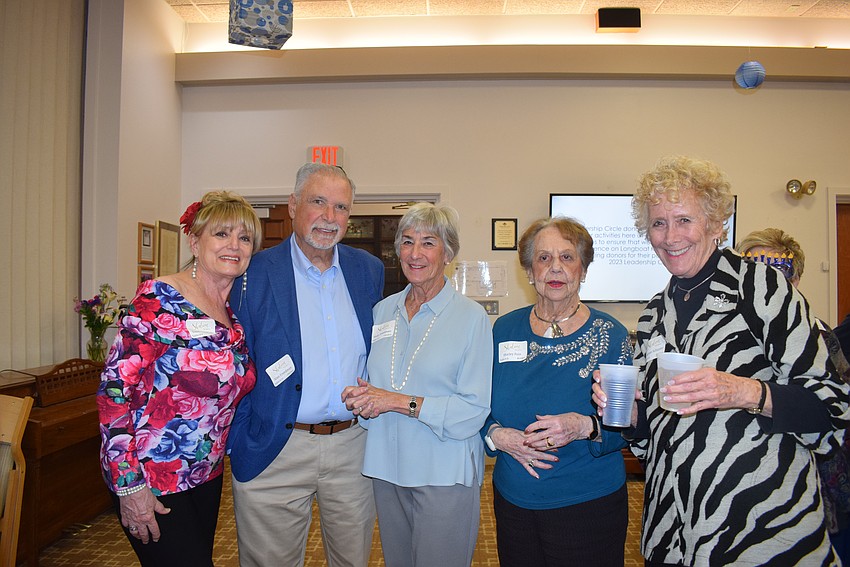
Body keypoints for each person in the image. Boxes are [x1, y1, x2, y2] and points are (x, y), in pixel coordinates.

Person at [592, 156, 850, 566]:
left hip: (761, 531)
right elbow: (653, 442)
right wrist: (627, 413)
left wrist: (743, 391)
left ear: (715, 224)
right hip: (673, 535)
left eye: (684, 220)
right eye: (658, 223)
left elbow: (833, 409)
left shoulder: (762, 289)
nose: (670, 236)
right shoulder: (654, 313)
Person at [227, 162, 384, 567]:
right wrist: (241, 437)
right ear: (294, 205)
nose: (330, 218)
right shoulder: (252, 272)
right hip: (277, 447)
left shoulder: (368, 270)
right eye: (319, 202)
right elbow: (235, 360)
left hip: (353, 448)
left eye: (342, 208)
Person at [96, 191, 261, 566]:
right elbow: (114, 392)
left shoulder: (231, 313)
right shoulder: (160, 299)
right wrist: (129, 484)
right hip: (152, 476)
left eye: (245, 237)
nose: (234, 245)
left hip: (205, 473)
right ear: (194, 240)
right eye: (221, 234)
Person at [341, 203, 493, 567]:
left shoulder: (471, 318)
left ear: (448, 253)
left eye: (428, 242)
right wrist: (362, 398)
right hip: (386, 468)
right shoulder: (382, 311)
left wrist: (394, 401)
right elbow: (376, 384)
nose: (414, 253)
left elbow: (473, 410)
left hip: (443, 471)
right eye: (407, 242)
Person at [482, 217, 632, 566]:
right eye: (544, 258)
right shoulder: (504, 329)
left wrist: (582, 426)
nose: (555, 268)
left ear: (583, 269)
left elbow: (625, 427)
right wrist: (496, 435)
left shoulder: (611, 334)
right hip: (514, 501)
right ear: (530, 270)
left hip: (587, 505)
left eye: (567, 257)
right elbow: (477, 405)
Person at [737, 227, 850, 561]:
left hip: (811, 492)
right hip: (738, 494)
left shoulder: (819, 339)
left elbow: (834, 416)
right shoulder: (725, 338)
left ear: (796, 280)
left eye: (778, 273)